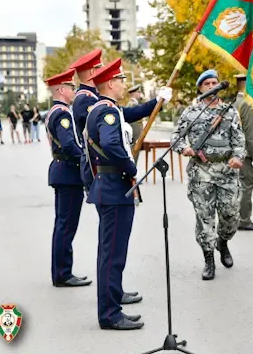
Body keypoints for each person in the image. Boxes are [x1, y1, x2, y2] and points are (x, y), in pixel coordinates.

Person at [84, 58, 173, 330]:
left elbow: (132, 114)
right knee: (112, 254)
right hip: (114, 186)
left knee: (111, 252)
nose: (124, 85)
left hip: (111, 185)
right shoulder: (107, 111)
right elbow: (112, 143)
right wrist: (130, 165)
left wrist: (158, 100)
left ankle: (112, 305)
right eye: (121, 80)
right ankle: (110, 314)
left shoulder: (106, 108)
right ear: (111, 83)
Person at [170, 69, 245, 281]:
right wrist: (184, 148)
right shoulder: (191, 113)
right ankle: (209, 258)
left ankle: (223, 241)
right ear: (200, 88)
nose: (212, 86)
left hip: (226, 172)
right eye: (207, 84)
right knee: (204, 217)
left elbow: (239, 140)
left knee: (230, 214)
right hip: (201, 171)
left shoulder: (229, 112)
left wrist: (238, 157)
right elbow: (176, 137)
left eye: (215, 83)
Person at [44, 69, 92, 288]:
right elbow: (70, 145)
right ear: (61, 90)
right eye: (71, 87)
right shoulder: (62, 114)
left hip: (61, 171)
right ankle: (63, 273)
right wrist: (86, 158)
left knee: (62, 224)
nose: (74, 90)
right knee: (66, 225)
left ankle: (61, 271)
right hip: (68, 173)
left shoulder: (55, 111)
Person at [233, 73, 253, 231]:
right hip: (246, 154)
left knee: (237, 186)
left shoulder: (233, 102)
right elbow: (250, 134)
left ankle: (235, 218)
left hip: (234, 152)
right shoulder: (246, 104)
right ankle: (244, 220)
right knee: (246, 186)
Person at [70, 48, 103, 190]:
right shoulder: (85, 99)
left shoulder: (93, 96)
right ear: (92, 72)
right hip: (95, 162)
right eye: (100, 68)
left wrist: (156, 103)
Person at [125, 84, 144, 163]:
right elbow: (134, 124)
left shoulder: (133, 104)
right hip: (134, 138)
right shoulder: (133, 105)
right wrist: (137, 138)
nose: (140, 94)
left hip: (134, 138)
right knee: (133, 159)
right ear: (134, 93)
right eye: (138, 92)